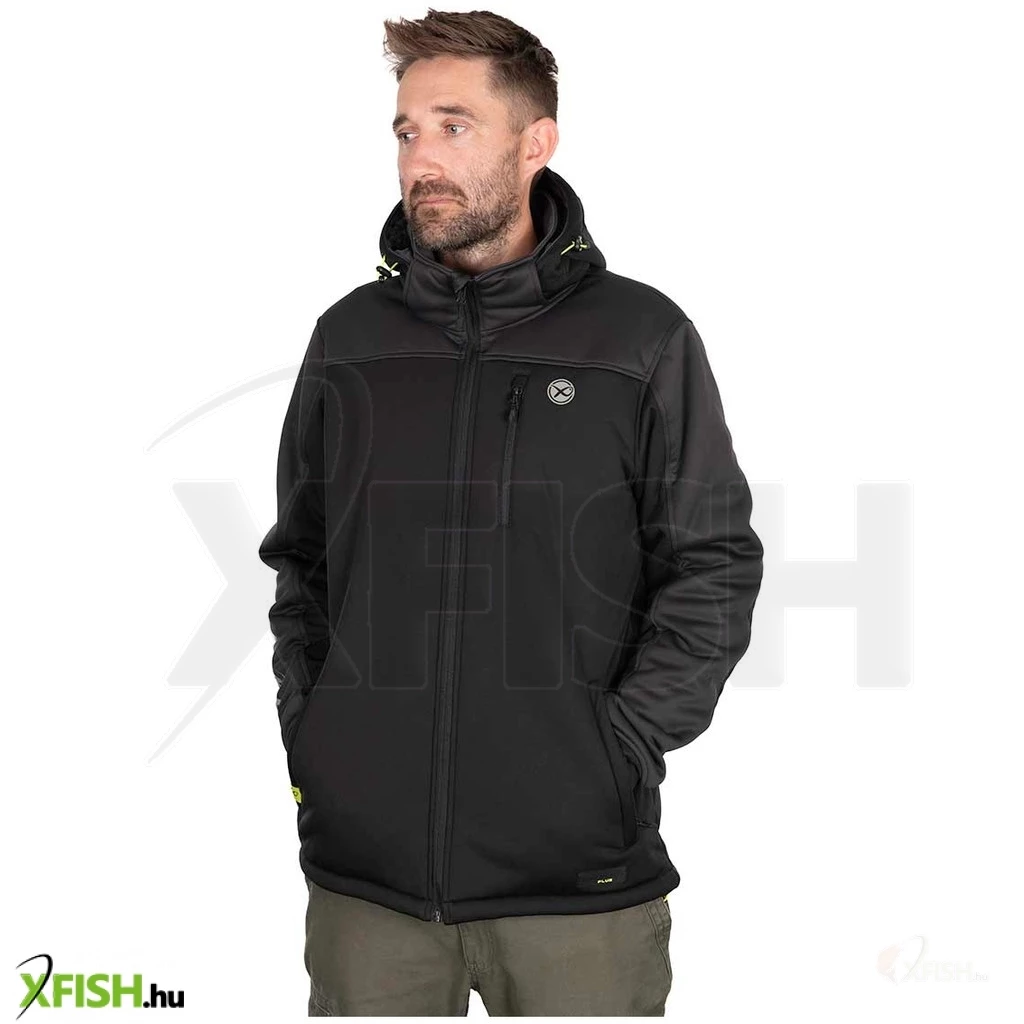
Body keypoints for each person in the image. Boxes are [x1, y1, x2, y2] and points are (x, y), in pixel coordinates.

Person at [257, 8, 764, 1016]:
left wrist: (615, 750)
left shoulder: (641, 339)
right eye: (407, 131)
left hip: (577, 890)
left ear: (536, 143)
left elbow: (711, 562)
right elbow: (301, 561)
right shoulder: (349, 341)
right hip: (367, 891)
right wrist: (318, 736)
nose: (421, 159)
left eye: (454, 126)